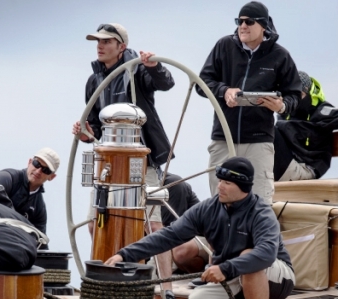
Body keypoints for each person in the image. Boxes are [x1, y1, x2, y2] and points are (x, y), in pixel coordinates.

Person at [105, 157, 295, 299]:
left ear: (243, 187)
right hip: (232, 274)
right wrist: (125, 254)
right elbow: (169, 235)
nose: (220, 186)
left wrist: (225, 267)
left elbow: (267, 253)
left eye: (227, 183)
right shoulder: (208, 209)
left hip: (275, 278)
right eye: (219, 181)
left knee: (250, 256)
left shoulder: (261, 213)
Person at [72, 23, 175, 234]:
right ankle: (104, 267)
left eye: (106, 41)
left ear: (122, 47)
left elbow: (165, 83)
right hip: (109, 162)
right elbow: (95, 128)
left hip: (141, 160)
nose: (100, 46)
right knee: (95, 224)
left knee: (152, 225)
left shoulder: (138, 71)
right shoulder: (94, 81)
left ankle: (161, 269)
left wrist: (154, 66)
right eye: (98, 41)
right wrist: (86, 134)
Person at [197, 1, 302, 204]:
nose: (242, 26)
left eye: (249, 21)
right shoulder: (224, 46)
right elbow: (201, 84)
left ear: (263, 26)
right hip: (223, 138)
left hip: (259, 141)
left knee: (261, 202)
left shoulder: (280, 55)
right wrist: (224, 90)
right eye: (239, 21)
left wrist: (281, 106)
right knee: (219, 201)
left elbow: (294, 95)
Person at [274, 71, 338, 181]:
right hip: (286, 164)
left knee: (267, 129)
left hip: (306, 169)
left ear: (308, 92)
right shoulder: (286, 112)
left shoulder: (321, 110)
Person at [0, 148, 59, 247]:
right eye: (37, 163)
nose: (38, 171)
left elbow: (41, 243)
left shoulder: (39, 207)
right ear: (29, 162)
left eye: (45, 170)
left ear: (51, 177)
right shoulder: (6, 179)